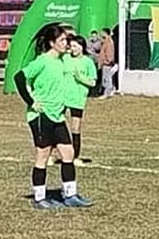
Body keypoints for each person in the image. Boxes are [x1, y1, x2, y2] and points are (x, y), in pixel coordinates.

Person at [14, 23, 92, 209]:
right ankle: (40, 198)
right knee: (43, 155)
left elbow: (77, 52)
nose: (66, 43)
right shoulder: (43, 61)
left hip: (57, 116)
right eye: (62, 40)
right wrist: (32, 102)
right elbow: (19, 77)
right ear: (51, 43)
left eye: (66, 40)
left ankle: (70, 195)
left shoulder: (63, 59)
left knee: (68, 153)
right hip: (41, 116)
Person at [64, 34, 98, 164]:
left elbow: (93, 82)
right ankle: (56, 154)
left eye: (75, 46)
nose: (73, 49)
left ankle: (75, 156)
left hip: (77, 99)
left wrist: (81, 79)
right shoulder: (65, 58)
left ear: (82, 47)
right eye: (71, 46)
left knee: (75, 128)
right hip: (62, 97)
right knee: (57, 126)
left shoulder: (88, 62)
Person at [98, 27, 116, 98]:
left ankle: (107, 93)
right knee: (107, 78)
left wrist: (107, 61)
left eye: (102, 32)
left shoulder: (109, 42)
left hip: (107, 63)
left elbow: (109, 53)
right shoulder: (105, 41)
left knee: (106, 78)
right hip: (105, 63)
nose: (100, 34)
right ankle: (110, 90)